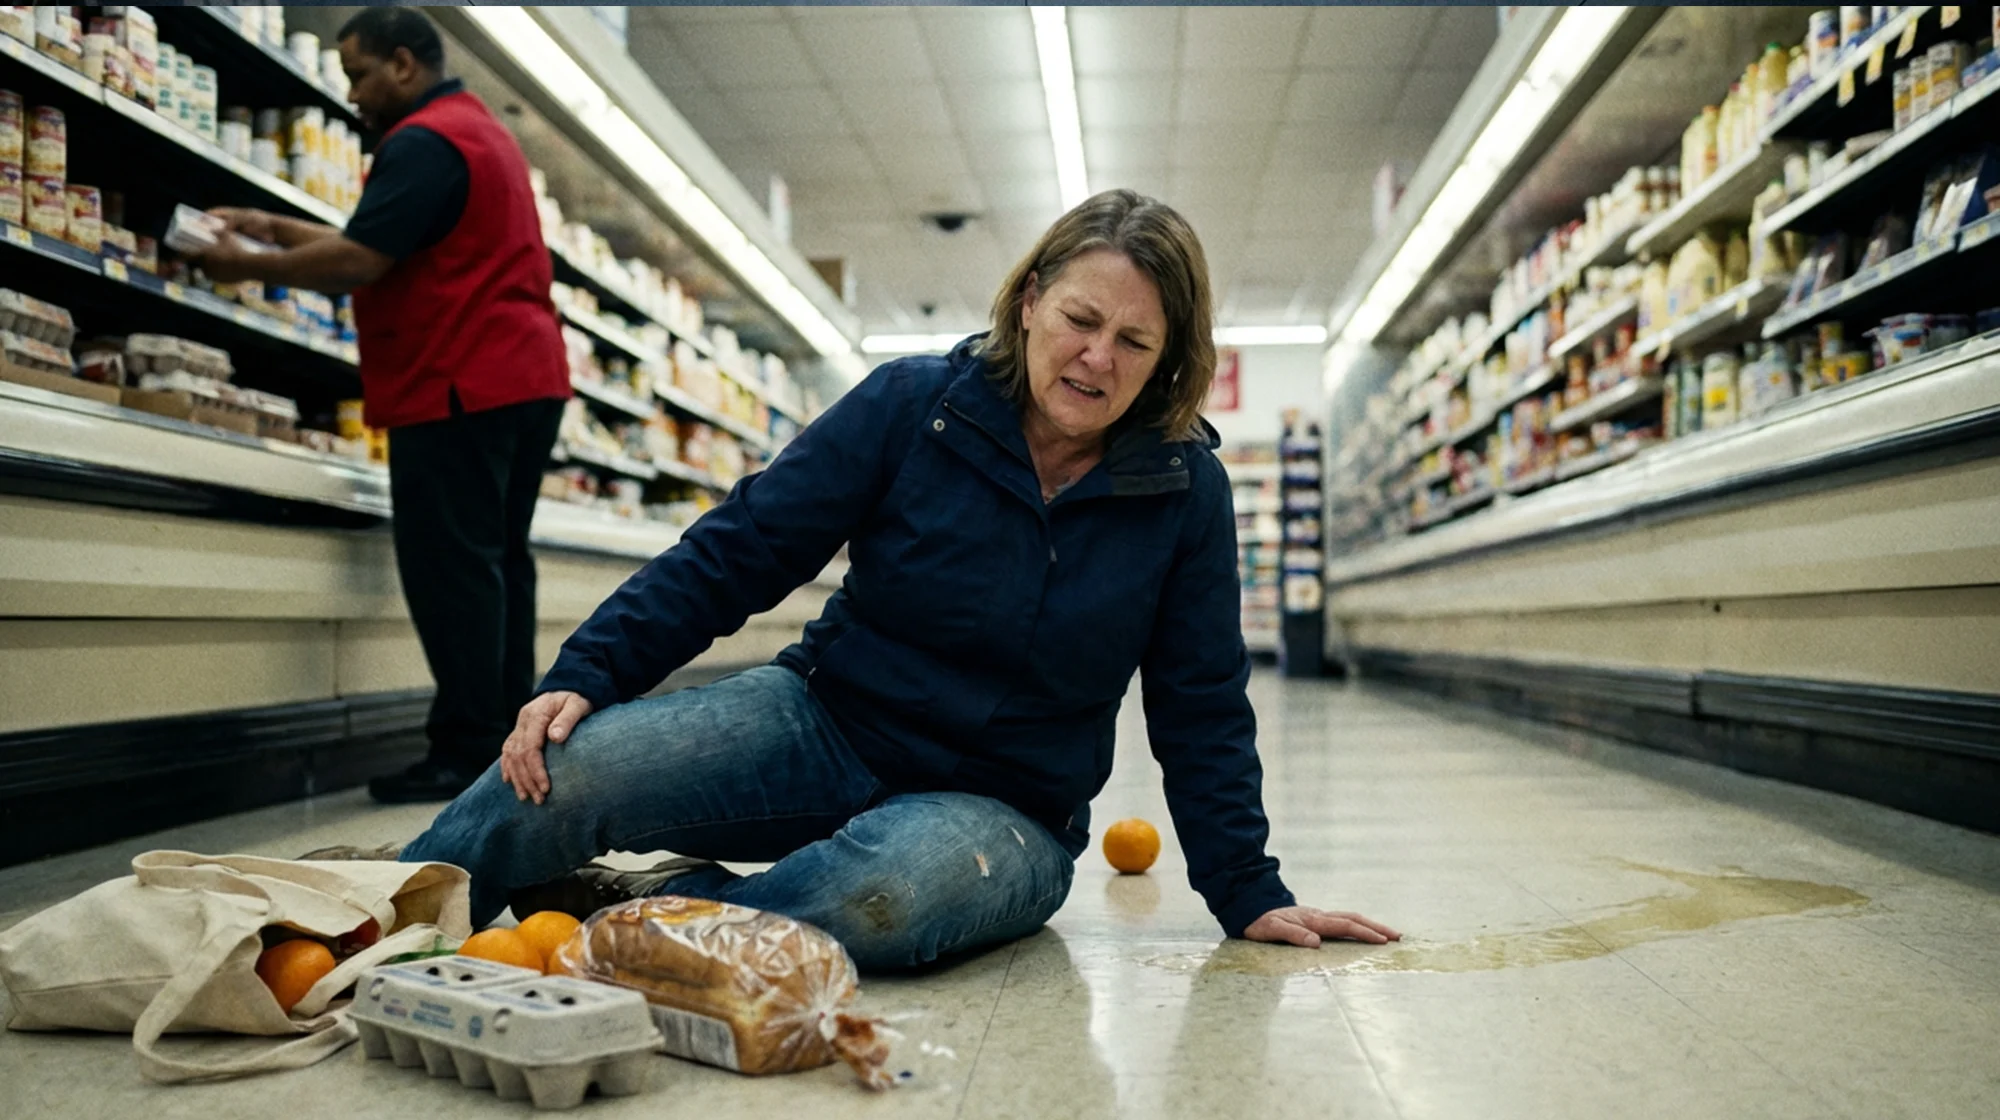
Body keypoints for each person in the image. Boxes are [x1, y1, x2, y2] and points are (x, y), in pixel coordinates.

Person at [397, 190, 1400, 971]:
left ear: (1168, 360)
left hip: (1001, 812)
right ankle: (371, 923)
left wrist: (1245, 887)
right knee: (566, 769)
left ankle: (629, 925)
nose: (1095, 357)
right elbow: (744, 544)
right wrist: (590, 670)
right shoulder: (916, 405)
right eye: (1079, 318)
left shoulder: (1184, 490)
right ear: (1027, 299)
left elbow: (1199, 700)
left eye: (1133, 341)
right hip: (822, 724)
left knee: (882, 895)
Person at [194, 7, 570, 804]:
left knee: (454, 572)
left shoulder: (425, 139)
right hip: (522, 380)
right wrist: (269, 224)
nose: (354, 94)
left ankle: (466, 746)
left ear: (404, 64)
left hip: (459, 380)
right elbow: (389, 236)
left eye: (360, 74)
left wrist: (245, 263)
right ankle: (503, 733)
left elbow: (361, 258)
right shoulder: (475, 132)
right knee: (497, 565)